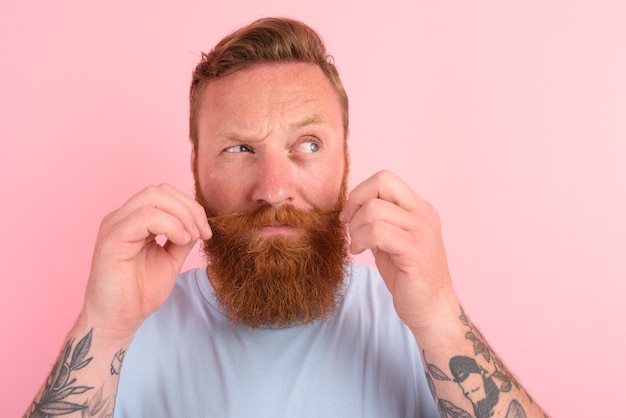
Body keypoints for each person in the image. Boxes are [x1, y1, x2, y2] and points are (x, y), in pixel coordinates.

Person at [24, 17, 548, 418]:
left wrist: (438, 315)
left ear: (345, 161)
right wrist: (103, 326)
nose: (273, 188)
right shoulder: (132, 327)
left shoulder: (413, 320)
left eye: (309, 144)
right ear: (196, 168)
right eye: (239, 149)